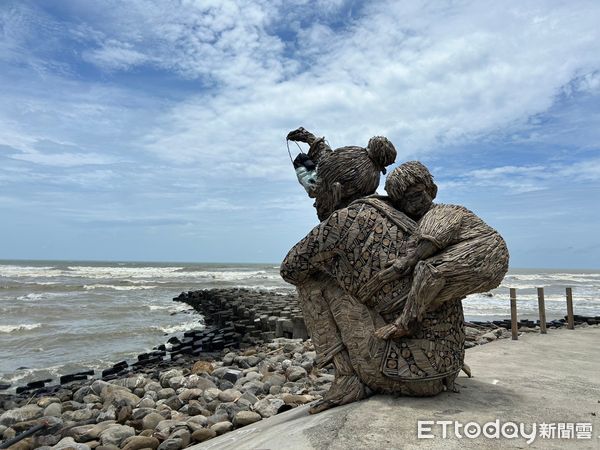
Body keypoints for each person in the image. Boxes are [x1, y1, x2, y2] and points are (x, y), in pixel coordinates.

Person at [281, 131, 465, 413]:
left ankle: (347, 380)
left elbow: (291, 268)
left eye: (322, 189)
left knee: (312, 279)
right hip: (445, 367)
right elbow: (338, 168)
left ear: (339, 190)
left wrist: (337, 270)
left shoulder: (343, 220)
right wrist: (315, 144)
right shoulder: (394, 208)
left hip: (406, 375)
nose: (316, 196)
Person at [356, 161, 510, 340]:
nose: (410, 205)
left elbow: (432, 240)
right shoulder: (416, 221)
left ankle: (406, 323)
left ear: (432, 191)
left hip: (485, 250)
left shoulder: (443, 211)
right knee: (428, 292)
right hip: (479, 263)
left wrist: (406, 261)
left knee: (428, 270)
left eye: (415, 195)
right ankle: (430, 306)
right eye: (402, 202)